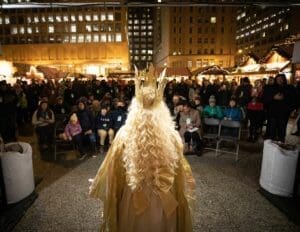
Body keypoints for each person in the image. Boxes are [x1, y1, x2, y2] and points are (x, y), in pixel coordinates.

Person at [89, 65, 195, 232]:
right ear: (161, 110)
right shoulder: (171, 136)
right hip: (164, 203)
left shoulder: (124, 135)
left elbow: (112, 172)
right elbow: (180, 174)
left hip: (133, 200)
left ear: (135, 109)